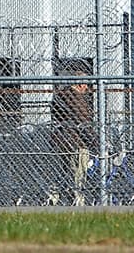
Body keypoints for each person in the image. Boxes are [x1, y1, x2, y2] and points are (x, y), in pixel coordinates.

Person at [49, 70, 94, 206]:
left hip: (61, 140)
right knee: (78, 174)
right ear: (80, 84)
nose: (87, 88)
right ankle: (78, 201)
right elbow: (84, 121)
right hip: (76, 142)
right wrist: (95, 140)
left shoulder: (60, 95)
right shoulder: (76, 98)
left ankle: (53, 198)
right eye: (86, 84)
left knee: (61, 172)